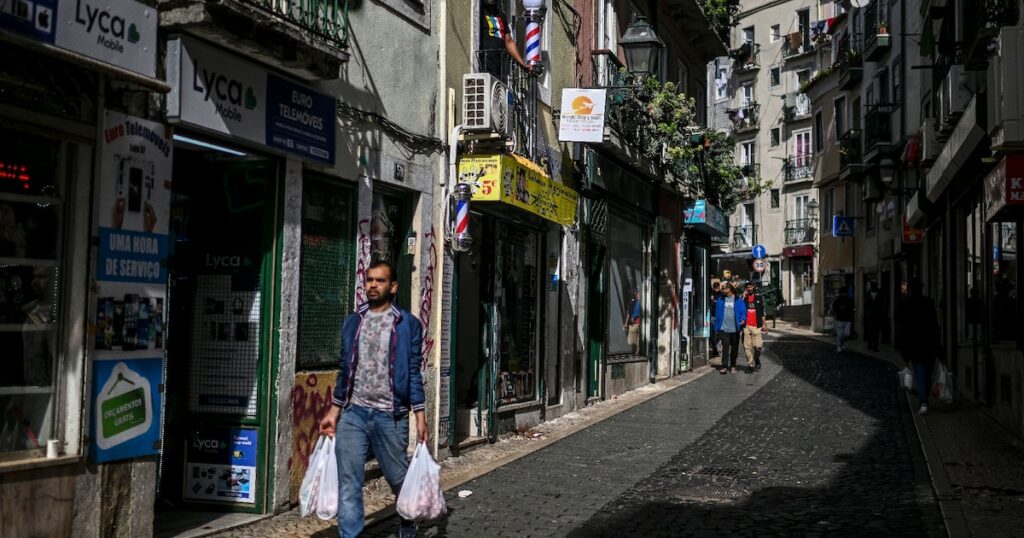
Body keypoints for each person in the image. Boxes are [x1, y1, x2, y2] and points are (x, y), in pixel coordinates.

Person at [319, 261, 428, 538]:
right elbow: (346, 368)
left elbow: (414, 371)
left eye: (379, 281)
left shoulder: (408, 325)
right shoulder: (353, 322)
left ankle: (407, 517)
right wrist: (334, 411)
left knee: (397, 477)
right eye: (369, 280)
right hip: (354, 413)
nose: (372, 285)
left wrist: (420, 414)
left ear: (393, 287)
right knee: (349, 481)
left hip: (390, 415)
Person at [897, 279, 941, 414]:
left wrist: (904, 348)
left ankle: (924, 402)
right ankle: (924, 400)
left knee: (921, 373)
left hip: (915, 344)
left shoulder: (906, 304)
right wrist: (937, 343)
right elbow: (935, 325)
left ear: (910, 289)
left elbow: (903, 327)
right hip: (929, 344)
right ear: (921, 289)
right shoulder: (929, 302)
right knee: (926, 374)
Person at [479, 0, 533, 78]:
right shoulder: (480, 12)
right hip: (483, 66)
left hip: (499, 69)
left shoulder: (501, 16)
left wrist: (522, 63)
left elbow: (509, 41)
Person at [714, 283, 747, 374]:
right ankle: (724, 366)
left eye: (724, 289)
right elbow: (717, 314)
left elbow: (743, 311)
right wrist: (717, 327)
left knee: (734, 348)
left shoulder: (738, 300)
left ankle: (733, 366)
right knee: (725, 347)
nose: (722, 290)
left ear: (729, 289)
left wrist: (743, 319)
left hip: (735, 328)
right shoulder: (720, 300)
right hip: (723, 328)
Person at [741, 281, 766, 373]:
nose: (749, 288)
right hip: (746, 326)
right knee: (747, 347)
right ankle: (750, 365)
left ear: (753, 287)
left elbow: (762, 311)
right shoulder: (743, 299)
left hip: (757, 326)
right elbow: (739, 307)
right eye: (747, 287)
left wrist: (764, 324)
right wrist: (743, 296)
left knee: (758, 346)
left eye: (750, 287)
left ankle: (756, 359)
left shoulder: (759, 297)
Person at [832, 286, 855, 352]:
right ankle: (838, 346)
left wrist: (851, 312)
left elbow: (853, 308)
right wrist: (839, 309)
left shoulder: (849, 300)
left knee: (846, 334)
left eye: (844, 293)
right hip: (840, 319)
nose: (843, 294)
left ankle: (842, 343)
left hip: (848, 319)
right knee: (840, 335)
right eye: (842, 293)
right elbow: (834, 308)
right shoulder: (837, 300)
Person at [864, 281, 884, 351]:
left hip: (877, 315)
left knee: (876, 331)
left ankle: (875, 346)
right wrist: (866, 313)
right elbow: (866, 304)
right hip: (870, 315)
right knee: (870, 331)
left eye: (873, 286)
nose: (872, 287)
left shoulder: (880, 293)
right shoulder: (868, 293)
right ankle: (870, 344)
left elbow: (882, 304)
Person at [709, 281, 721, 357]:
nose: (716, 289)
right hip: (713, 316)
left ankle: (718, 349)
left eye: (717, 287)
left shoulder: (722, 295)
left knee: (719, 333)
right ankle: (714, 349)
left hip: (719, 316)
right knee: (713, 333)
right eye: (715, 287)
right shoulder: (711, 294)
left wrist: (715, 301)